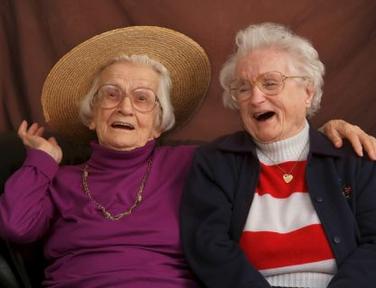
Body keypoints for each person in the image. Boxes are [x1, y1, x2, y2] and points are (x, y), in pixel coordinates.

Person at [0, 25, 374, 288]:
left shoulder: (197, 163)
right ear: (91, 112)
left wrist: (328, 134)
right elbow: (16, 227)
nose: (125, 107)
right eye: (110, 94)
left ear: (160, 123)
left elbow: (280, 143)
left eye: (143, 98)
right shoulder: (62, 177)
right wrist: (41, 161)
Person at [180, 23, 376, 288]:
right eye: (243, 88)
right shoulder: (215, 162)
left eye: (270, 83)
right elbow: (208, 247)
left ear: (308, 92)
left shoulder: (352, 156)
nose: (256, 99)